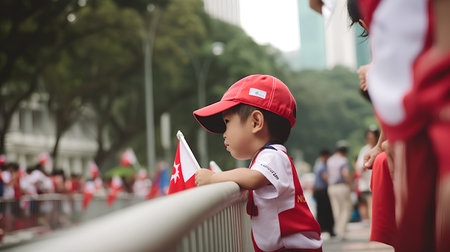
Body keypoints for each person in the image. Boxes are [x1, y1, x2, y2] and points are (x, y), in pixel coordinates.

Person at [194, 75, 322, 252]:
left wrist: (214, 178)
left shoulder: (273, 155)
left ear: (256, 122)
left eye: (227, 122)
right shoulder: (269, 155)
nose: (223, 133)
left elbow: (253, 178)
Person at [326, 140, 352, 240]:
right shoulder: (343, 160)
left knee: (336, 209)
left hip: (331, 187)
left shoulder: (330, 160)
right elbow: (345, 173)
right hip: (342, 186)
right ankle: (342, 231)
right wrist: (351, 184)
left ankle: (338, 229)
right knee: (346, 208)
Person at [355, 126, 379, 221]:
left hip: (380, 181)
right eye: (369, 137)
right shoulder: (364, 150)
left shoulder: (381, 148)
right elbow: (359, 166)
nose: (371, 139)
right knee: (371, 205)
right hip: (368, 184)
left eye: (373, 137)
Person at [312, 148, 335, 238]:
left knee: (323, 210)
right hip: (322, 191)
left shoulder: (318, 164)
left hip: (319, 190)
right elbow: (326, 177)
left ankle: (326, 229)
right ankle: (326, 229)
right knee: (326, 211)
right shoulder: (322, 166)